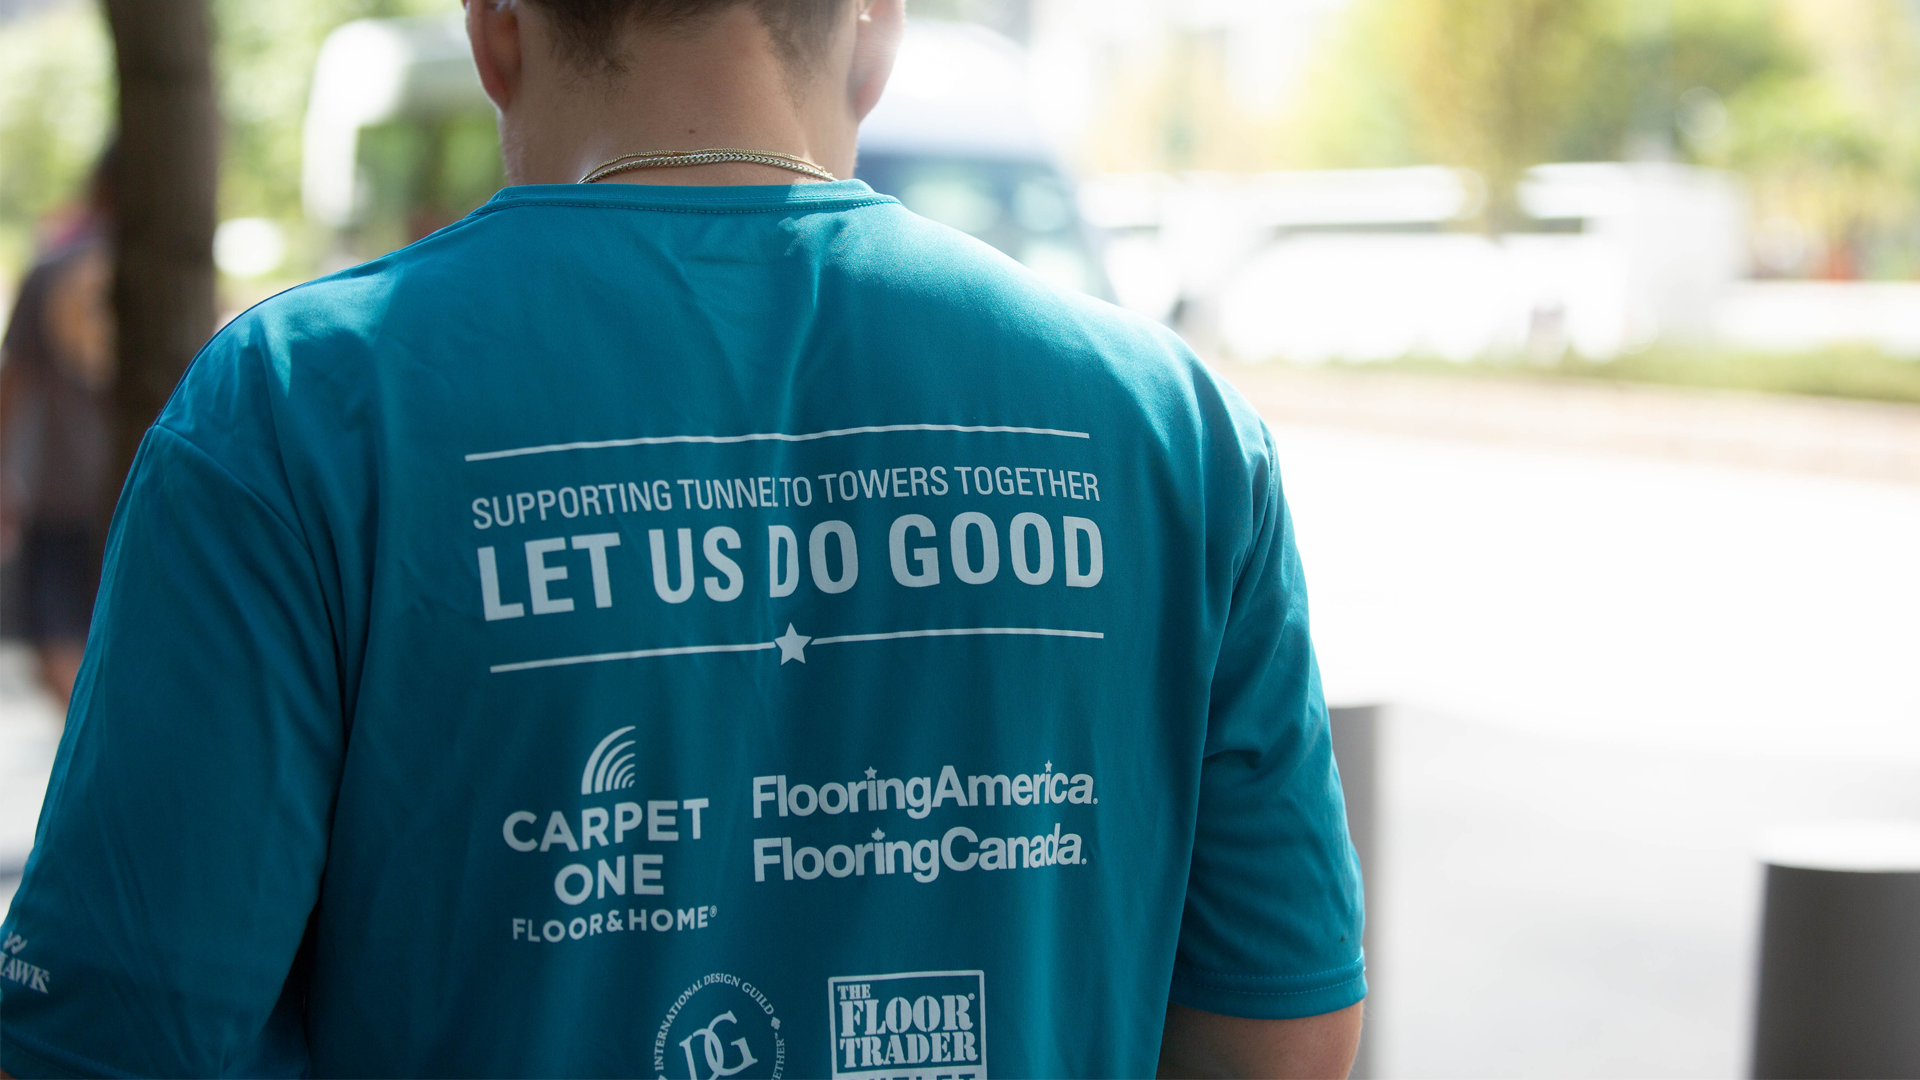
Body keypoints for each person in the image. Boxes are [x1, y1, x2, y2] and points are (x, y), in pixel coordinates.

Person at [0, 1, 1365, 1076]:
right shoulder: (1169, 429)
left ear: (496, 31)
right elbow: (1284, 1033)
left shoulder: (299, 409)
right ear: (874, 28)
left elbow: (113, 1035)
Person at [0, 149, 117, 715]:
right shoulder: (173, 276)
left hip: (61, 487)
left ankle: (92, 742)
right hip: (128, 483)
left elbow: (14, 379)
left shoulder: (51, 270)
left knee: (55, 645)